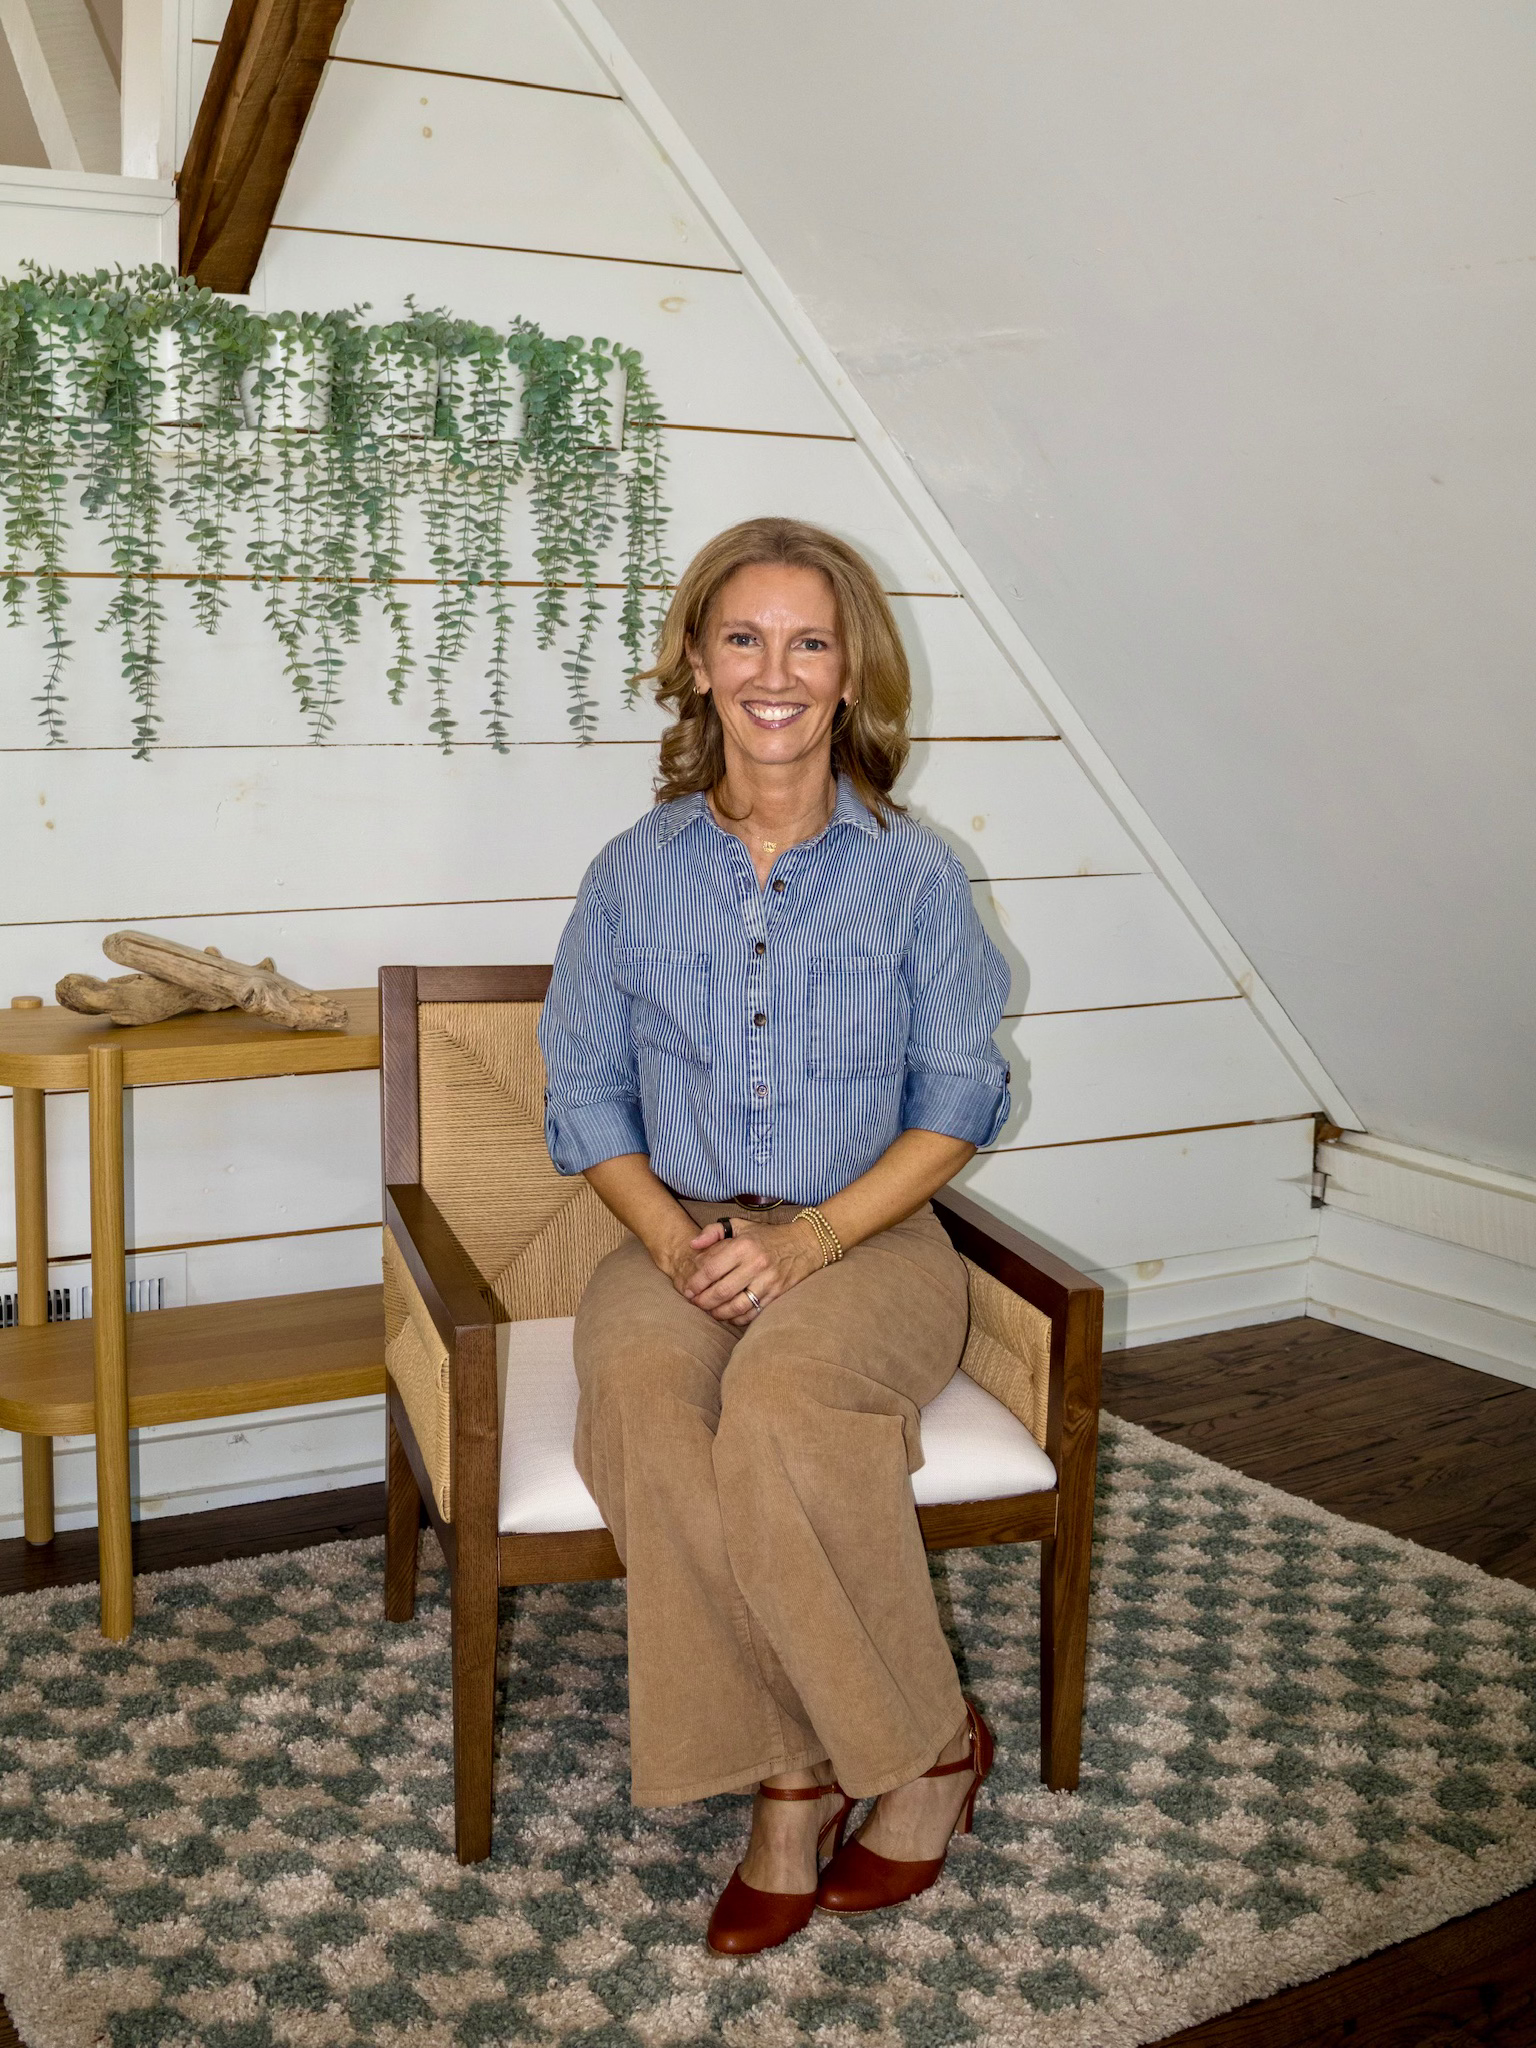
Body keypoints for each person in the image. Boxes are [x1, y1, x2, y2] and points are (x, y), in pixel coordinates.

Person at [539, 516, 1011, 1954]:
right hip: (673, 1230)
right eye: (743, 638)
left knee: (788, 1415)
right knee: (644, 1402)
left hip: (869, 1239)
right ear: (697, 662)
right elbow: (584, 1092)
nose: (776, 672)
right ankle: (796, 1777)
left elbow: (961, 1099)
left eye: (811, 642)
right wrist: (671, 1238)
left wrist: (810, 1245)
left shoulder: (918, 878)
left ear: (852, 673)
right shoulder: (632, 873)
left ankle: (926, 1754)